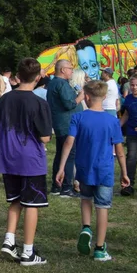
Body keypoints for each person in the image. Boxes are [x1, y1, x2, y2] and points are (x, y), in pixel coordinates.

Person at [55, 80, 128, 263]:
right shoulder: (112, 121)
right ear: (104, 97)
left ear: (86, 97)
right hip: (104, 170)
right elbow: (119, 150)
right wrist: (125, 173)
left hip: (83, 168)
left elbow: (68, 142)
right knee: (102, 207)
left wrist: (62, 167)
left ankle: (86, 227)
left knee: (85, 199)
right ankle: (99, 248)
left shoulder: (78, 118)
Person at [0, 57, 52, 266]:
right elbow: (45, 137)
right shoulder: (39, 102)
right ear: (38, 77)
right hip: (30, 159)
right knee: (32, 204)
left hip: (8, 156)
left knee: (15, 200)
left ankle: (9, 240)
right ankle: (28, 251)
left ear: (17, 76)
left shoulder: (4, 99)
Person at [46, 58, 83, 198]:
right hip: (67, 125)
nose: (72, 71)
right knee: (69, 155)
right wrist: (80, 97)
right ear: (62, 70)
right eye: (70, 68)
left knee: (61, 154)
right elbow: (69, 104)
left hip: (62, 124)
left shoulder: (54, 83)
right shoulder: (60, 83)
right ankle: (66, 188)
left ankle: (56, 186)